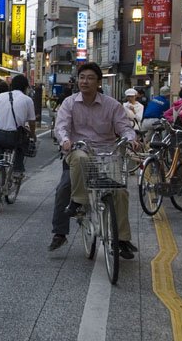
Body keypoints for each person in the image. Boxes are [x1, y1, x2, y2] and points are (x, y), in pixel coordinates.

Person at [49, 62, 139, 258]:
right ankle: (71, 214)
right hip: (78, 151)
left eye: (90, 78)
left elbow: (124, 127)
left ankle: (122, 239)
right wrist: (65, 140)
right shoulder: (69, 103)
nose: (85, 81)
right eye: (82, 77)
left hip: (106, 154)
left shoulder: (112, 105)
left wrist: (130, 139)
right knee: (65, 186)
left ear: (99, 82)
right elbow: (61, 126)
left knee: (120, 192)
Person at [0, 75, 36, 182]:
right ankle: (18, 169)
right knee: (21, 146)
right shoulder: (28, 100)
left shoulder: (0, 97)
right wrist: (32, 134)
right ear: (25, 87)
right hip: (14, 137)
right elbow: (32, 121)